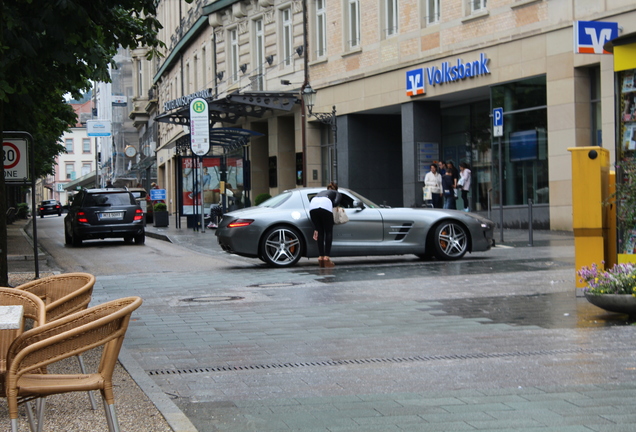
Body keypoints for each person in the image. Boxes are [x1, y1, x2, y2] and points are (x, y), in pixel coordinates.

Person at [309, 182, 341, 267]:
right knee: (328, 231)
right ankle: (326, 257)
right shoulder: (337, 193)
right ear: (336, 189)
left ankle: (321, 257)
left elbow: (311, 199)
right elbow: (335, 203)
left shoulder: (321, 192)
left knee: (320, 232)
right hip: (325, 206)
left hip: (313, 206)